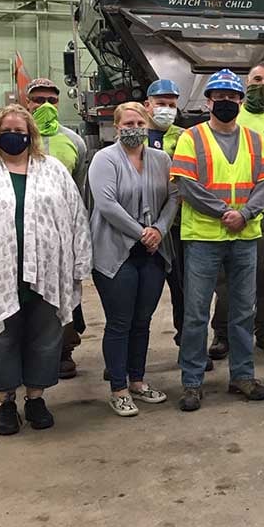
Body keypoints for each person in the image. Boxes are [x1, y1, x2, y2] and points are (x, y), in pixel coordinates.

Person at [0, 105, 91, 435]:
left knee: (44, 336)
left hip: (48, 271)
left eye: (20, 130)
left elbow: (76, 216)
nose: (14, 136)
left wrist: (81, 260)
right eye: (7, 130)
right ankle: (6, 403)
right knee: (0, 338)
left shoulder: (53, 171)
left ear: (32, 134)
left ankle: (36, 398)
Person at [170, 69, 264, 412]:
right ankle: (191, 382)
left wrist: (244, 215)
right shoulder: (192, 138)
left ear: (240, 101)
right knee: (196, 313)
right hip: (204, 237)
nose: (226, 102)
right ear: (209, 101)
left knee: (243, 311)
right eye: (220, 97)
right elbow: (186, 184)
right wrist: (224, 213)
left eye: (232, 97)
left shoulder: (255, 140)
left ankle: (242, 376)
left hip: (245, 236)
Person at [89, 102, 179, 417]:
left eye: (139, 122)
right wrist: (143, 232)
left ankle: (138, 381)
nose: (134, 128)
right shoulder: (104, 159)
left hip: (153, 252)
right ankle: (118, 388)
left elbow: (174, 197)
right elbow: (107, 204)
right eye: (127, 123)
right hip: (116, 252)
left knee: (142, 321)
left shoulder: (161, 159)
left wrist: (160, 229)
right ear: (117, 127)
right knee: (119, 322)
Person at [210, 62, 264, 359]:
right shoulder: (231, 116)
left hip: (262, 215)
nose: (262, 85)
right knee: (225, 280)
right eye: (256, 79)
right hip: (223, 215)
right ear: (245, 85)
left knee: (261, 276)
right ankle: (222, 334)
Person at [25, 77, 88, 380]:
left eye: (52, 100)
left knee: (65, 293)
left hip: (61, 235)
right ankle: (27, 354)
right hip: (24, 233)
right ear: (27, 103)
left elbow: (80, 190)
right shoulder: (18, 138)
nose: (46, 106)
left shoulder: (75, 142)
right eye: (39, 100)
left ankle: (64, 350)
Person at [144, 79, 188, 346]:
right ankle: (130, 353)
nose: (166, 109)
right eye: (161, 104)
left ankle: (188, 343)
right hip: (145, 228)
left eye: (172, 105)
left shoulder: (185, 137)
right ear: (147, 105)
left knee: (184, 290)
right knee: (141, 294)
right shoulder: (135, 135)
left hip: (178, 227)